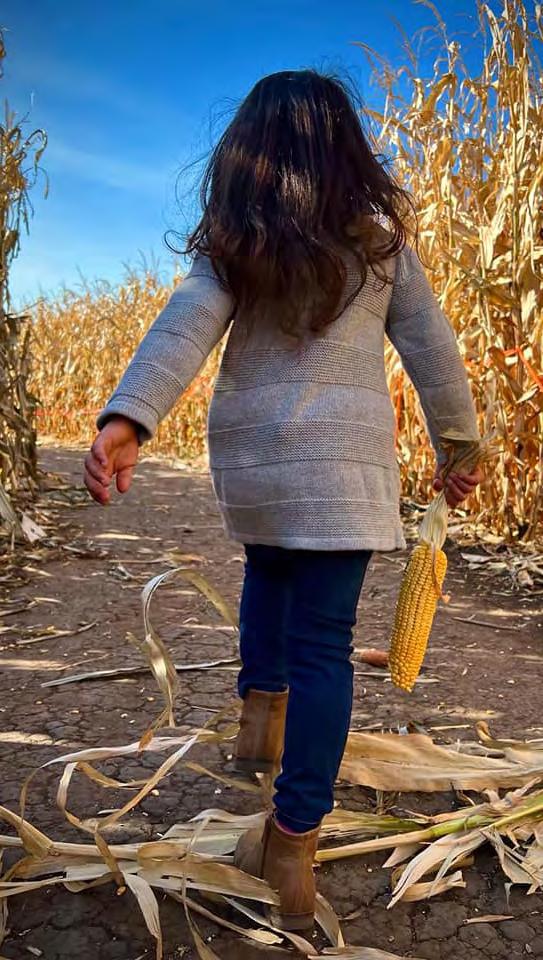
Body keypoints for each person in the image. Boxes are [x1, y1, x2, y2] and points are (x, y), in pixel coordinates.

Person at [84, 70, 482, 931]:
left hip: (259, 462)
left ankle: (257, 723)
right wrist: (459, 441)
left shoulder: (236, 244)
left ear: (247, 155)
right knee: (324, 646)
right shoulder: (379, 248)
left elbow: (183, 325)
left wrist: (130, 417)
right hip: (346, 468)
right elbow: (432, 347)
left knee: (265, 574)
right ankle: (293, 846)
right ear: (347, 152)